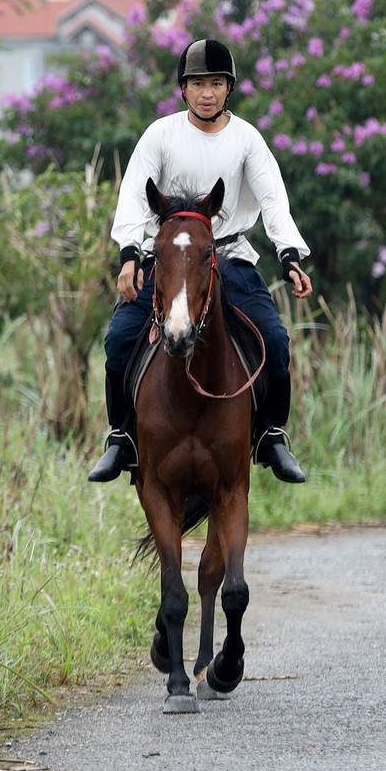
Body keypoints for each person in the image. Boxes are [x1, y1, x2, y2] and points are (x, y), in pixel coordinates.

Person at [89, 37, 314, 485]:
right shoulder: (160, 134)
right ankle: (122, 437)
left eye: (215, 83)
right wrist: (130, 255)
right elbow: (133, 195)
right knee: (118, 339)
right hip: (168, 256)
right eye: (197, 84)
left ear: (228, 88)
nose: (206, 93)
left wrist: (289, 253)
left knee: (274, 339)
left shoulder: (247, 139)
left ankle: (271, 434)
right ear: (183, 89)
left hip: (226, 253)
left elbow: (273, 198)